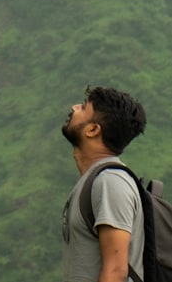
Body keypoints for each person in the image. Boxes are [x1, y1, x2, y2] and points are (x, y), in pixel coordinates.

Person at [61, 86, 148, 282]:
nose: (74, 108)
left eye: (83, 108)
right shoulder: (93, 181)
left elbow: (116, 272)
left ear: (93, 130)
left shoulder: (109, 183)